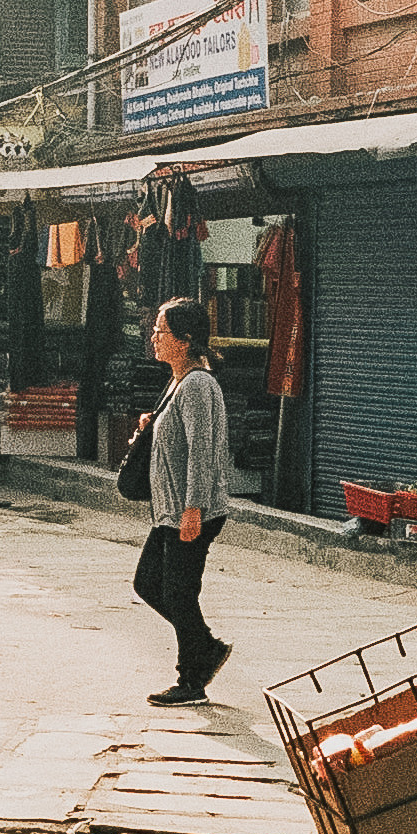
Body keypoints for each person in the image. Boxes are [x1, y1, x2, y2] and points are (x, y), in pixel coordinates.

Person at [131, 296, 232, 707]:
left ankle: (192, 680)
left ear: (186, 339)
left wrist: (194, 509)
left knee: (179, 593)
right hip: (171, 510)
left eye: (162, 331)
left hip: (192, 510)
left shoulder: (197, 385)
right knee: (148, 583)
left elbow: (202, 451)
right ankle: (205, 648)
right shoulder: (178, 381)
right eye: (155, 329)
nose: (154, 337)